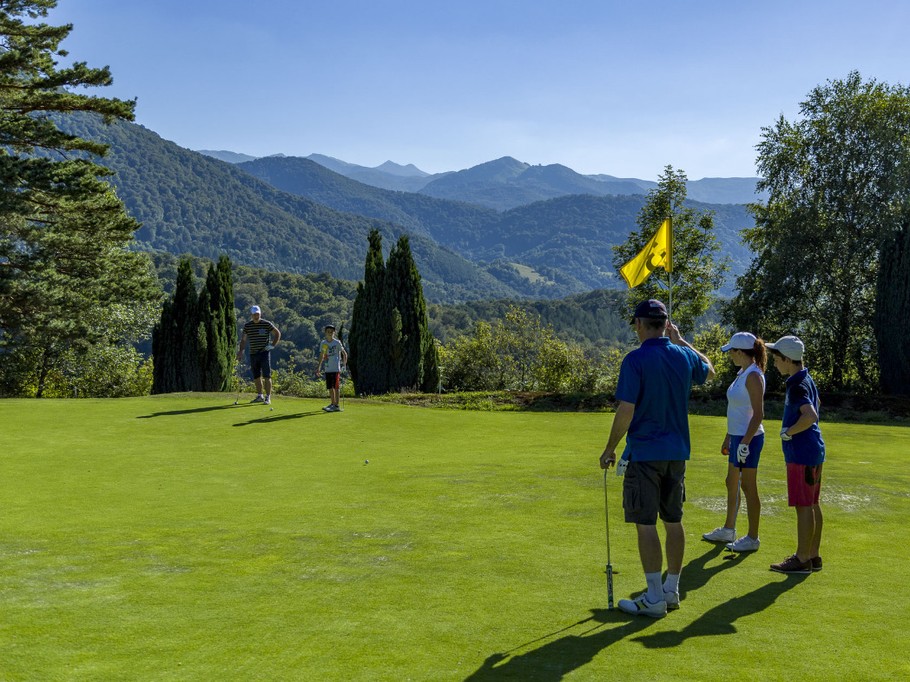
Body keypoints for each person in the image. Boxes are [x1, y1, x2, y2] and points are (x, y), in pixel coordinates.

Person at [599, 299, 715, 618]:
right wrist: (681, 341)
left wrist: (610, 449)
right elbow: (709, 369)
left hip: (645, 453)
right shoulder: (681, 355)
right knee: (674, 520)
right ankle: (671, 590)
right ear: (665, 325)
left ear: (639, 324)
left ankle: (653, 598)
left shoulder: (635, 360)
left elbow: (626, 409)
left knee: (645, 523)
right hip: (677, 453)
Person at [766, 335, 825, 574]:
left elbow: (810, 415)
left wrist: (788, 432)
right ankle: (813, 555)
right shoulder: (806, 378)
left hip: (801, 452)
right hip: (814, 449)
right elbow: (818, 402)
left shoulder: (796, 384)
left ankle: (802, 559)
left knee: (803, 505)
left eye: (777, 358)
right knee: (812, 503)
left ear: (788, 359)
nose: (774, 362)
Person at [702, 332, 767, 552]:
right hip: (738, 437)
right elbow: (737, 410)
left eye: (732, 351)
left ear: (740, 352)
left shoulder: (753, 376)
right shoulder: (743, 373)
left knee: (748, 486)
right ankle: (729, 529)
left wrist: (745, 443)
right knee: (731, 482)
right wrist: (729, 436)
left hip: (750, 438)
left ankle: (753, 537)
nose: (730, 355)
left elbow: (758, 415)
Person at [236, 305, 281, 405]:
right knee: (256, 376)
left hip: (264, 353)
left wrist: (272, 345)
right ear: (251, 315)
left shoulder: (266, 324)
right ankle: (260, 396)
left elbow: (277, 333)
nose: (256, 316)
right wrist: (240, 352)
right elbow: (243, 340)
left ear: (260, 314)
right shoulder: (247, 326)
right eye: (254, 314)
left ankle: (268, 397)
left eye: (258, 314)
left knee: (267, 375)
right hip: (253, 353)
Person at [316, 324, 347, 412]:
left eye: (331, 332)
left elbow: (344, 354)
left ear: (334, 333)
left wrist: (344, 365)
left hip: (336, 368)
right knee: (330, 387)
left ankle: (336, 405)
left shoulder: (337, 342)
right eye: (328, 332)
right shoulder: (323, 343)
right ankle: (332, 403)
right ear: (325, 333)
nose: (330, 333)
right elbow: (322, 355)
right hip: (327, 368)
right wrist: (318, 367)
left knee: (336, 387)